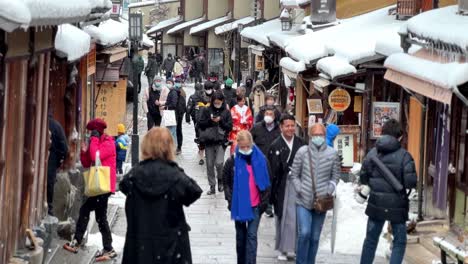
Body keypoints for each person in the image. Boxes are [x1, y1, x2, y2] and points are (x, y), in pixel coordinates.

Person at [120, 127, 203, 264]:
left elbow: (123, 186)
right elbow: (194, 191)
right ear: (169, 147)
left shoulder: (134, 176)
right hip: (171, 249)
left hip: (140, 249)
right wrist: (174, 168)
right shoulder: (175, 176)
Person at [359, 119, 417, 264]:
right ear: (400, 137)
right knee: (399, 242)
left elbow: (364, 177)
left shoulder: (372, 153)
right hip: (397, 205)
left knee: (371, 240)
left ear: (382, 133)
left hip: (376, 203)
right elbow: (411, 182)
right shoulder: (405, 156)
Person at [64, 118, 117, 261]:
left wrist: (93, 140)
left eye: (91, 132)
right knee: (98, 216)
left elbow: (96, 155)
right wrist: (83, 152)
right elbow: (88, 161)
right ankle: (107, 248)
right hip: (98, 186)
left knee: (90, 212)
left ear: (97, 132)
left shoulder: (108, 143)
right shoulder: (97, 142)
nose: (89, 135)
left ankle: (80, 242)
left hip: (104, 186)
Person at [289, 123, 341, 264]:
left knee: (315, 237)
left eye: (321, 135)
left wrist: (329, 190)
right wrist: (299, 188)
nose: (318, 137)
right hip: (303, 200)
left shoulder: (332, 154)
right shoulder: (302, 152)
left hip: (321, 202)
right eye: (315, 134)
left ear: (325, 136)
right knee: (304, 233)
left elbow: (336, 176)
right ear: (311, 136)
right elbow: (294, 175)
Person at [223, 130, 271, 264]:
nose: (245, 149)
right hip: (238, 205)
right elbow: (225, 180)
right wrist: (230, 198)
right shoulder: (232, 161)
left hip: (256, 205)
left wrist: (264, 203)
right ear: (237, 144)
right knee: (241, 237)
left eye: (247, 146)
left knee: (251, 236)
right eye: (242, 146)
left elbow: (267, 183)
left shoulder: (261, 160)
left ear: (251, 144)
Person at [267, 114, 306, 260]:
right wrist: (271, 195)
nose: (290, 128)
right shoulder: (275, 145)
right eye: (287, 126)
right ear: (281, 127)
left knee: (296, 217)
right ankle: (282, 249)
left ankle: (294, 248)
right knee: (282, 218)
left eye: (292, 125)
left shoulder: (301, 143)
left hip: (298, 184)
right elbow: (272, 171)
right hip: (281, 185)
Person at [198, 91, 233, 195]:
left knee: (219, 163)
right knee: (209, 164)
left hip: (221, 141)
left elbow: (229, 126)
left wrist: (220, 121)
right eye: (215, 102)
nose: (217, 104)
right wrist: (210, 121)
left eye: (219, 102)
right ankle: (212, 186)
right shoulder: (206, 110)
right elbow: (200, 124)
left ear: (222, 101)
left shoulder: (226, 112)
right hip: (209, 141)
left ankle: (220, 180)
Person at [47, 113, 68, 216]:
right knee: (49, 182)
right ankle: (49, 208)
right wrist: (59, 160)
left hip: (38, 159)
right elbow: (64, 147)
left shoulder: (37, 122)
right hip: (52, 158)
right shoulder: (56, 125)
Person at [186, 83, 210, 165]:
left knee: (199, 134)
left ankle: (201, 149)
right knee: (202, 134)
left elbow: (188, 108)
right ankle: (202, 149)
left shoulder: (197, 97)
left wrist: (187, 118)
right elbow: (189, 108)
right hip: (198, 119)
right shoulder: (198, 97)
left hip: (197, 119)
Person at [174, 77, 187, 155]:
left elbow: (183, 105)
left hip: (179, 114)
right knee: (173, 130)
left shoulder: (182, 92)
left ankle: (179, 146)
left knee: (178, 129)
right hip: (172, 113)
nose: (177, 83)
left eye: (179, 82)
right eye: (176, 82)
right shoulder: (172, 90)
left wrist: (181, 114)